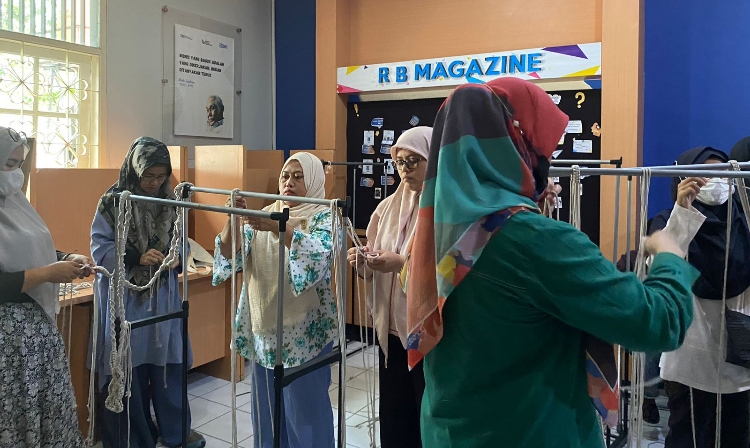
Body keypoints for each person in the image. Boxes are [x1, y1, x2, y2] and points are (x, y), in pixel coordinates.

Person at [404, 78, 699, 448]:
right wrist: (670, 253)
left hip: (451, 429)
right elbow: (660, 322)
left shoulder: (435, 228)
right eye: (542, 147)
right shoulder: (536, 241)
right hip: (534, 432)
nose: (547, 161)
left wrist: (527, 213)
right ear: (514, 144)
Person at [213, 152, 337, 448]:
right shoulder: (267, 213)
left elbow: (318, 257)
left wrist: (278, 227)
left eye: (298, 176)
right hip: (264, 331)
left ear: (314, 180)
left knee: (305, 415)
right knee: (267, 415)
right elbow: (230, 257)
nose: (289, 182)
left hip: (305, 335)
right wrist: (232, 219)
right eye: (285, 176)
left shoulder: (325, 216)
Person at [91, 137, 205, 448]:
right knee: (130, 372)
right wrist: (136, 257)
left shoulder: (172, 201)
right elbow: (99, 248)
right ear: (135, 170)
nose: (155, 183)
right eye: (148, 176)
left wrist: (176, 257)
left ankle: (176, 432)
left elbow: (182, 242)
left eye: (161, 176)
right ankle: (135, 438)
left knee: (169, 368)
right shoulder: (113, 202)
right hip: (128, 299)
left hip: (163, 297)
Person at [0, 126, 92, 447]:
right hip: (9, 343)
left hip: (36, 336)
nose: (17, 173)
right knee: (15, 417)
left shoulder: (16, 203)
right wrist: (47, 274)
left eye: (20, 164)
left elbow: (30, 249)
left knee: (47, 412)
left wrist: (66, 258)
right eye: (9, 164)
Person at [653, 146, 750, 448]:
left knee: (737, 437)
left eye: (721, 173)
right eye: (704, 173)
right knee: (687, 438)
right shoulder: (666, 221)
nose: (714, 181)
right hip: (690, 358)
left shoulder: (744, 221)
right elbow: (658, 272)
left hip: (740, 358)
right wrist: (682, 212)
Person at [346, 126, 431, 447]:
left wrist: (400, 264)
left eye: (414, 161)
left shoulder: (444, 210)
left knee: (427, 418)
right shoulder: (385, 209)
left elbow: (445, 274)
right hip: (391, 333)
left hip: (428, 336)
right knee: (396, 417)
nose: (405, 169)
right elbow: (372, 268)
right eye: (399, 162)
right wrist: (363, 262)